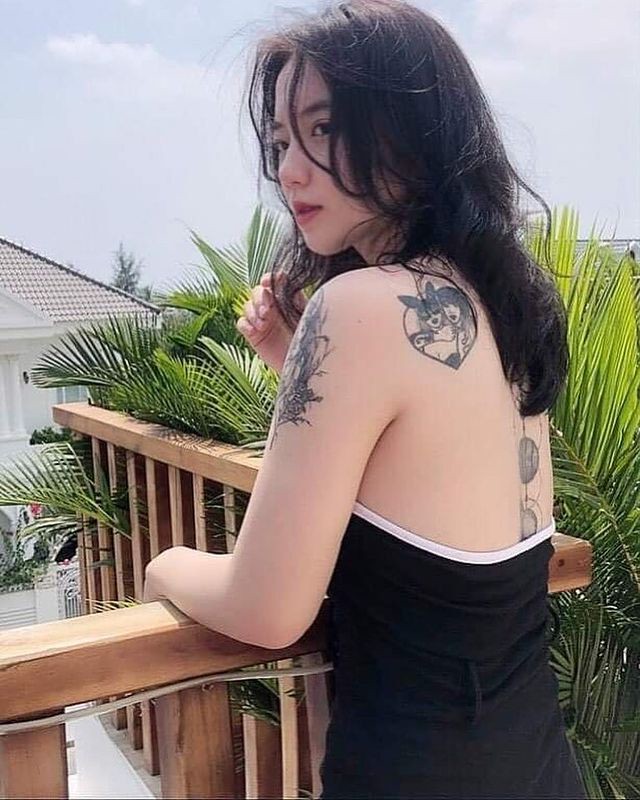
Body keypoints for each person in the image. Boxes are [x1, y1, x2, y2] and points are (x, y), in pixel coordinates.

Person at [144, 1, 587, 797]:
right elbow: (426, 482)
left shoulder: (356, 306)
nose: (290, 170)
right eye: (281, 142)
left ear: (413, 130)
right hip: (535, 764)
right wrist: (296, 365)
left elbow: (266, 606)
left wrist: (163, 565)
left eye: (323, 128)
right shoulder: (504, 302)